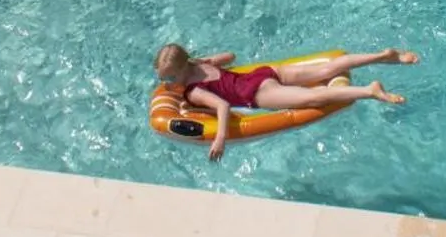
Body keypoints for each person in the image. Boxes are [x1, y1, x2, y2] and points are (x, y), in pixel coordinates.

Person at [154, 44, 420, 162]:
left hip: (257, 93)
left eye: (168, 79)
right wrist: (212, 60)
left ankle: (369, 90)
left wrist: (220, 138)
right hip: (265, 73)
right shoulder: (200, 63)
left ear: (179, 74)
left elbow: (222, 106)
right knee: (326, 70)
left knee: (312, 98)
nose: (167, 84)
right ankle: (383, 56)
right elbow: (231, 55)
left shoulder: (192, 91)